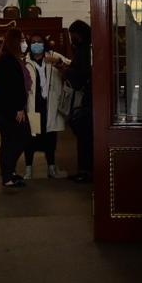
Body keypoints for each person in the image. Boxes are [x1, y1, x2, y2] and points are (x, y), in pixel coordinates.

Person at [23, 33, 71, 180]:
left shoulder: (53, 56)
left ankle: (51, 168)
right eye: (33, 42)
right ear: (30, 45)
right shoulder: (25, 62)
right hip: (33, 106)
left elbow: (71, 66)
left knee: (50, 137)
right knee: (31, 138)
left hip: (50, 105)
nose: (36, 45)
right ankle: (28, 169)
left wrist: (58, 62)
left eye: (39, 42)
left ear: (44, 43)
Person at [0, 27, 29, 188]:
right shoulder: (7, 60)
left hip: (6, 108)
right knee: (14, 140)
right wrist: (18, 108)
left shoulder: (10, 58)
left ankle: (10, 172)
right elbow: (10, 88)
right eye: (22, 40)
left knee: (13, 140)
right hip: (7, 109)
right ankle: (7, 175)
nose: (24, 43)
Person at [64, 20, 93, 183]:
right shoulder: (88, 47)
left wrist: (66, 71)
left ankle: (85, 170)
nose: (71, 38)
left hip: (88, 100)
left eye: (72, 34)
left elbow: (81, 76)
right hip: (88, 99)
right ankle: (85, 169)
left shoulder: (83, 50)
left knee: (85, 136)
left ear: (78, 34)